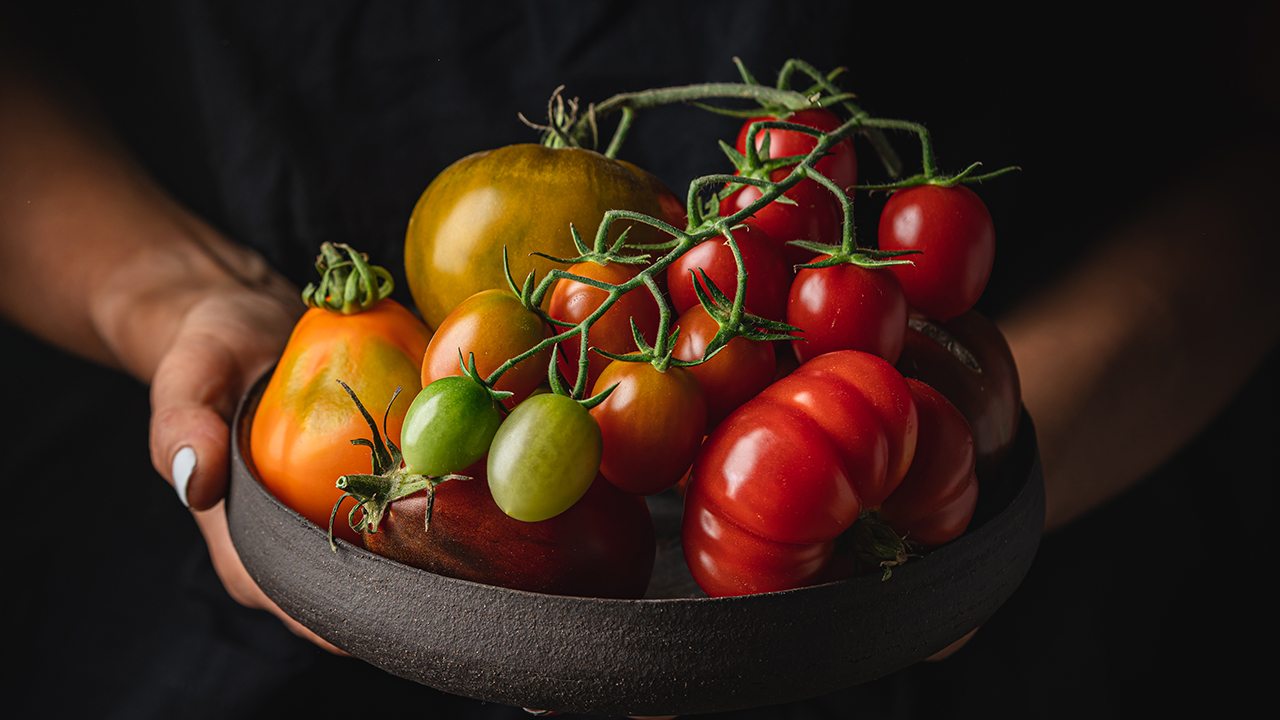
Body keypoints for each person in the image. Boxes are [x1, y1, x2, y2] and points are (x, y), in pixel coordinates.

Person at [3, 1, 1276, 717]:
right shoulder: (596, 329)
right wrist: (167, 295)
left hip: (1039, 603)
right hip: (239, 663)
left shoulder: (716, 317)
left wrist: (973, 475)